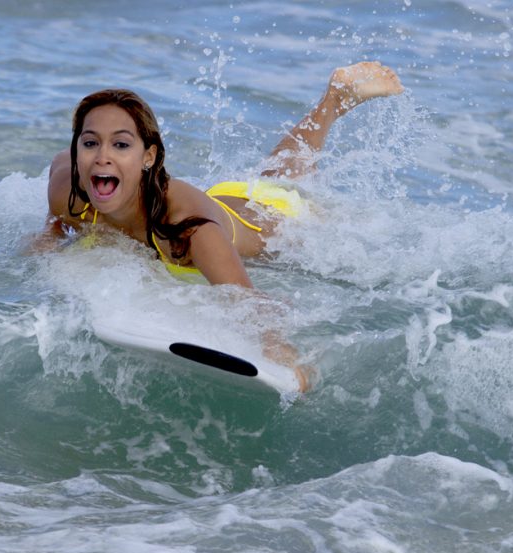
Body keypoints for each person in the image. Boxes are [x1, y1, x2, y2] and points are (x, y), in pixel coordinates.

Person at [42, 61, 404, 391]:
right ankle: (333, 100)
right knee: (276, 173)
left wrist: (282, 354)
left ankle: (334, 99)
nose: (102, 156)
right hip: (221, 198)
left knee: (287, 182)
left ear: (148, 157)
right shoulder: (68, 191)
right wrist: (49, 236)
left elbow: (250, 301)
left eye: (121, 144)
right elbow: (59, 182)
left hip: (274, 220)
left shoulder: (187, 227)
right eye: (90, 143)